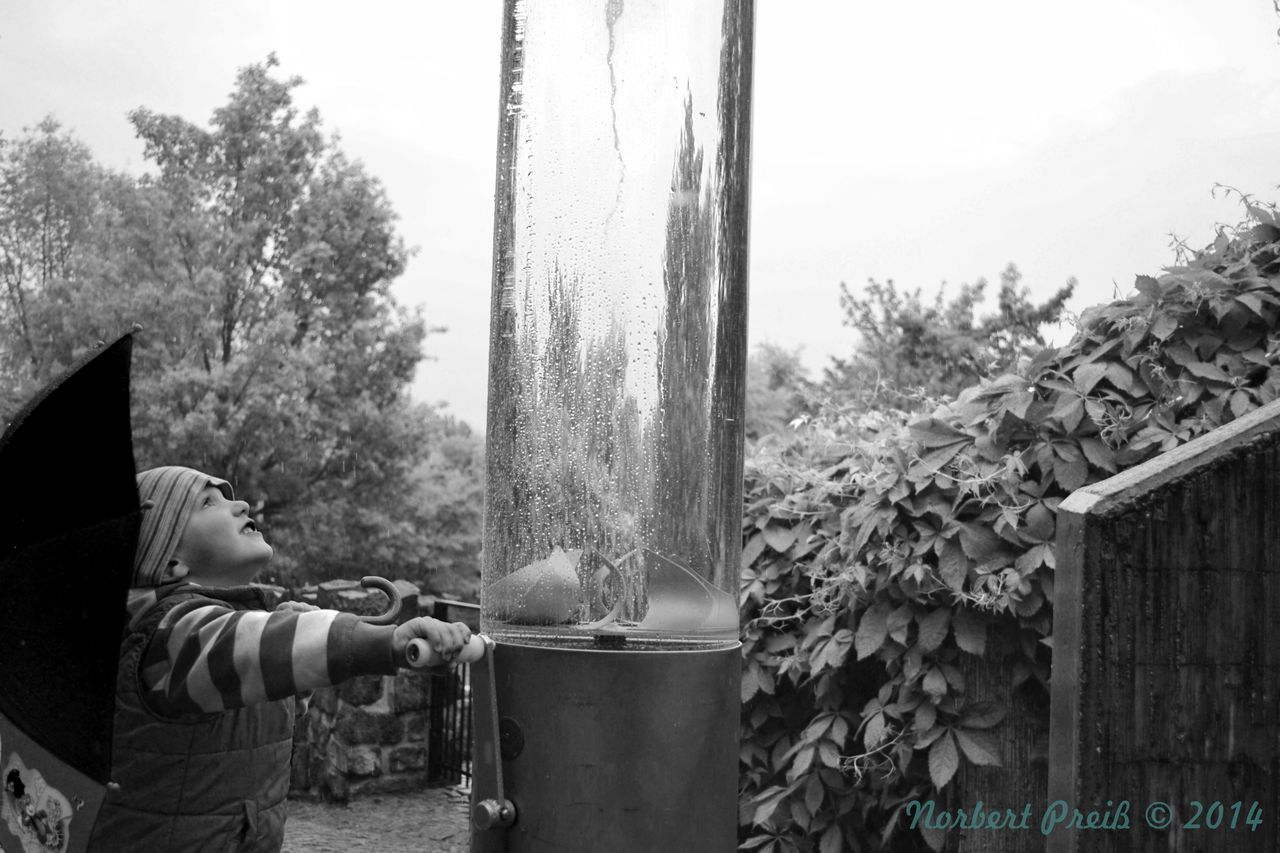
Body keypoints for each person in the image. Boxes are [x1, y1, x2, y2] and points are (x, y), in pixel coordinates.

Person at [87, 465, 472, 853]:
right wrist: (385, 642)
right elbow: (248, 648)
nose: (241, 504)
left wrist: (293, 670)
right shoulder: (171, 636)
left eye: (229, 496)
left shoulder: (210, 634)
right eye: (207, 503)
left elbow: (260, 701)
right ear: (171, 563)